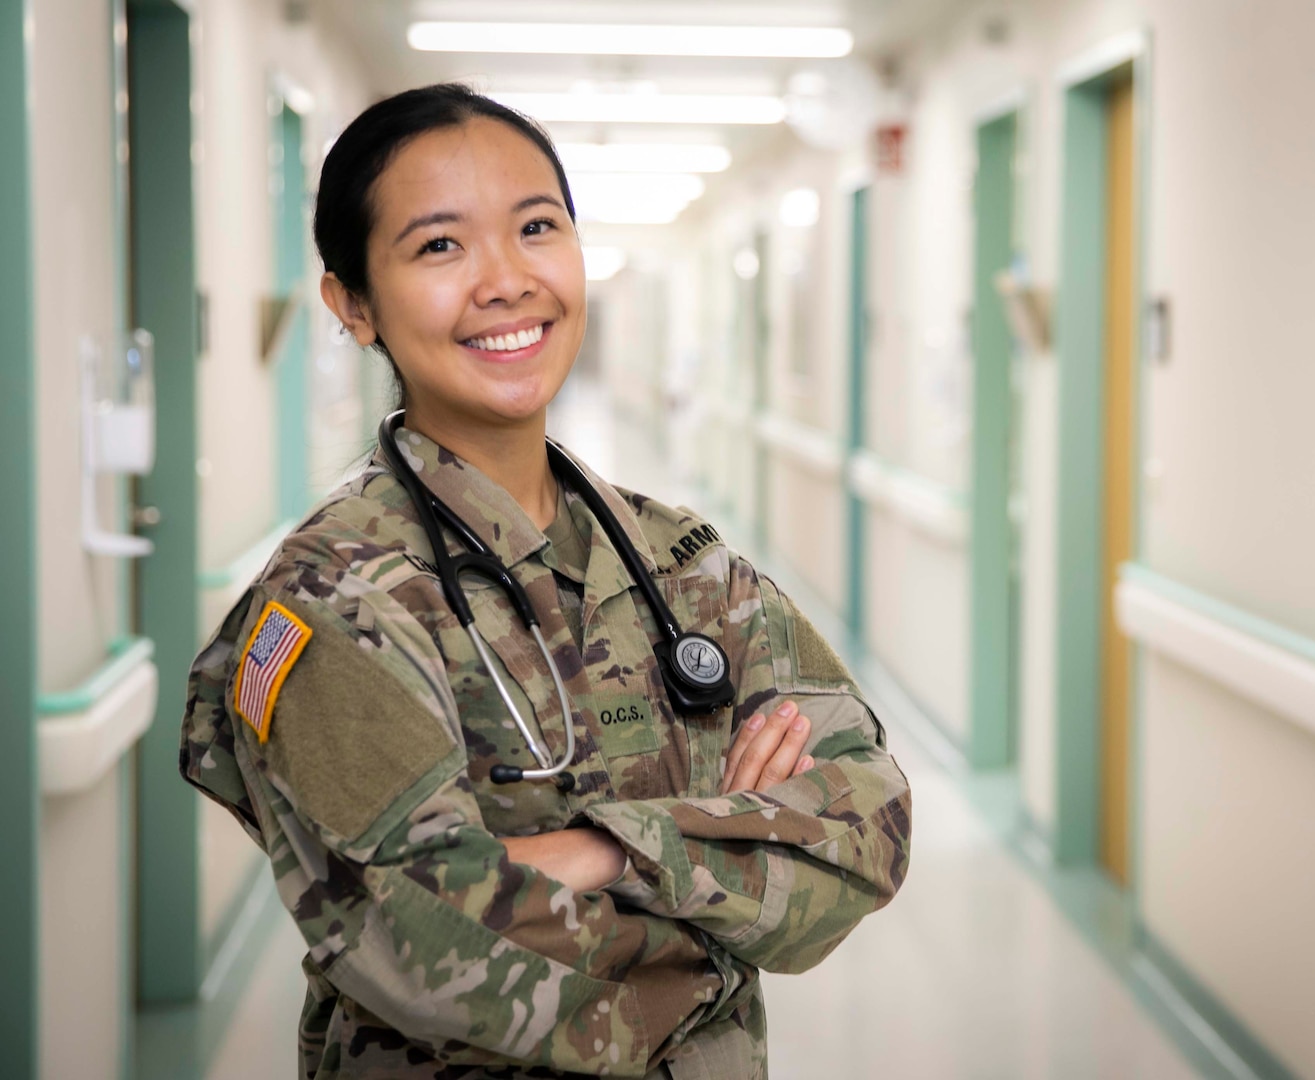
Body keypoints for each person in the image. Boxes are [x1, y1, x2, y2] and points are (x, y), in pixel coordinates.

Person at [180, 83, 911, 1080]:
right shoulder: (332, 602)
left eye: (537, 227)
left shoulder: (679, 563)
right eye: (440, 246)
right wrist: (729, 887)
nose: (506, 279)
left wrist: (604, 854)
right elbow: (429, 946)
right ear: (353, 305)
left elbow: (868, 824)